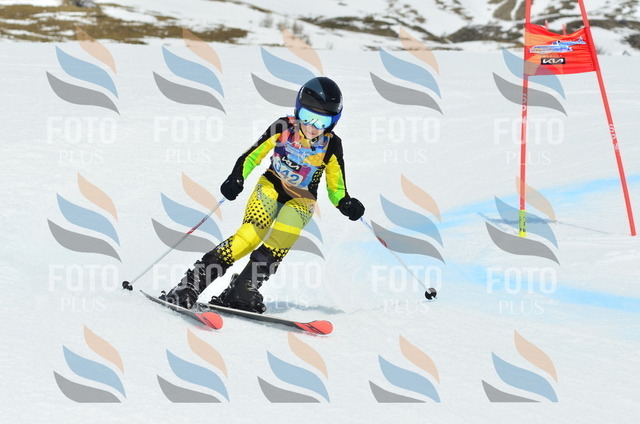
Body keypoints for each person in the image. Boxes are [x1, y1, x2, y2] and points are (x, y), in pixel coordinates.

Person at [160, 77, 365, 313]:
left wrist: (346, 203)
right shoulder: (283, 127)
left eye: (322, 121)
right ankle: (190, 285)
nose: (312, 126)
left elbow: (336, 188)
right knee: (249, 237)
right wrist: (237, 176)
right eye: (307, 116)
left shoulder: (331, 146)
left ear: (333, 122)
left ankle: (242, 289)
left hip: (302, 199)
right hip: (270, 187)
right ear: (298, 110)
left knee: (281, 239)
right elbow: (252, 155)